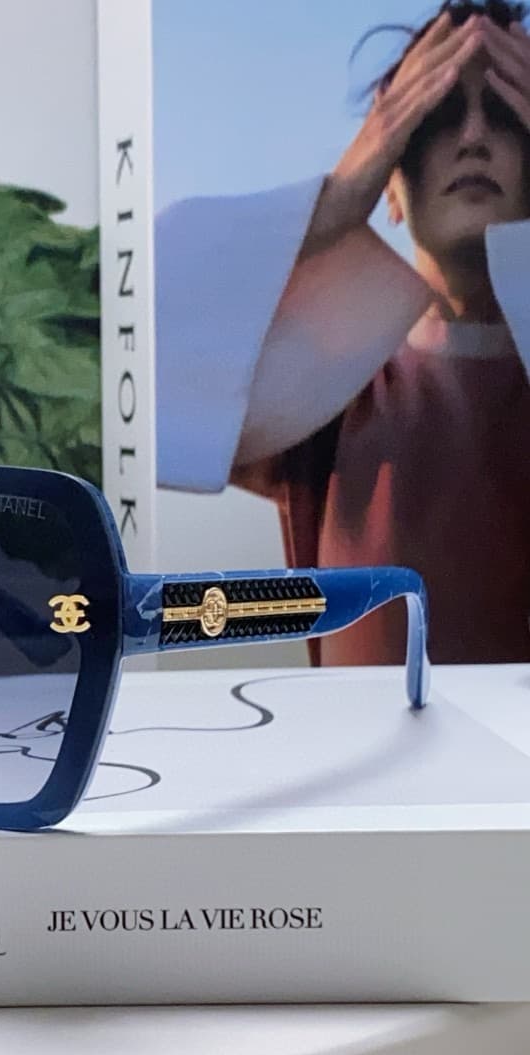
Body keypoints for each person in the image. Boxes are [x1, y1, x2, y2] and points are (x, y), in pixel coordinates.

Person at [157, 1, 530, 664]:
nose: (474, 137)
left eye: (506, 113)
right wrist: (331, 203)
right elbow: (122, 360)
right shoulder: (332, 385)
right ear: (391, 184)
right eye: (436, 115)